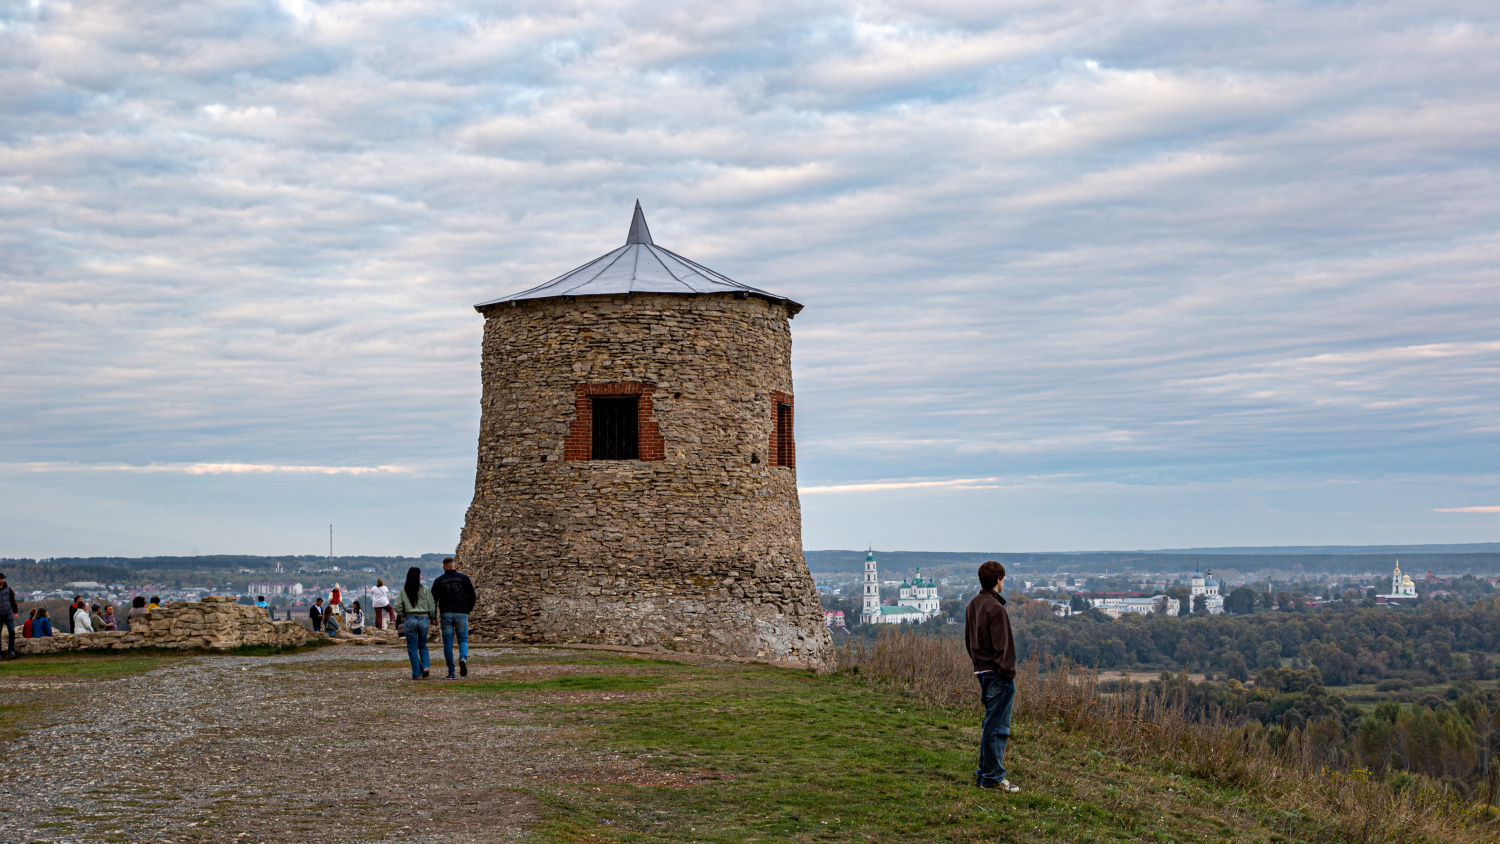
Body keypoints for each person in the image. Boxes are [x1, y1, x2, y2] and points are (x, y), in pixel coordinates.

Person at [965, 560, 1019, 793]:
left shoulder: (973, 605)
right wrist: (1007, 673)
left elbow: (969, 640)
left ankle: (983, 775)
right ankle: (993, 778)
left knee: (990, 725)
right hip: (998, 674)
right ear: (998, 580)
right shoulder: (996, 608)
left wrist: (978, 664)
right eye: (1003, 578)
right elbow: (1003, 646)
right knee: (997, 728)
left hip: (982, 670)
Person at [431, 556, 476, 679]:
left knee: (448, 643)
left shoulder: (439, 581)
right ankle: (463, 658)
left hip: (446, 613)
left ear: (443, 567)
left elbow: (433, 600)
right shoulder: (464, 578)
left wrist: (433, 616)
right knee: (463, 639)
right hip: (461, 612)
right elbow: (472, 595)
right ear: (454, 565)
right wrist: (468, 609)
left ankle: (451, 672)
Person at [393, 567, 437, 680]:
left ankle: (416, 673)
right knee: (423, 645)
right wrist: (432, 618)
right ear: (418, 576)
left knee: (412, 647)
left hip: (410, 619)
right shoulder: (425, 589)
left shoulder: (404, 590)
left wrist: (404, 613)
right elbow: (432, 606)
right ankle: (426, 666)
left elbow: (397, 607)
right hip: (423, 619)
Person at [0, 572, 17, 658]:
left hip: (8, 614)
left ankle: (11, 651)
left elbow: (13, 601)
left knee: (12, 631)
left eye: (2, 579)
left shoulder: (8, 589)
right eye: (0, 579)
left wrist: (15, 612)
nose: (1, 580)